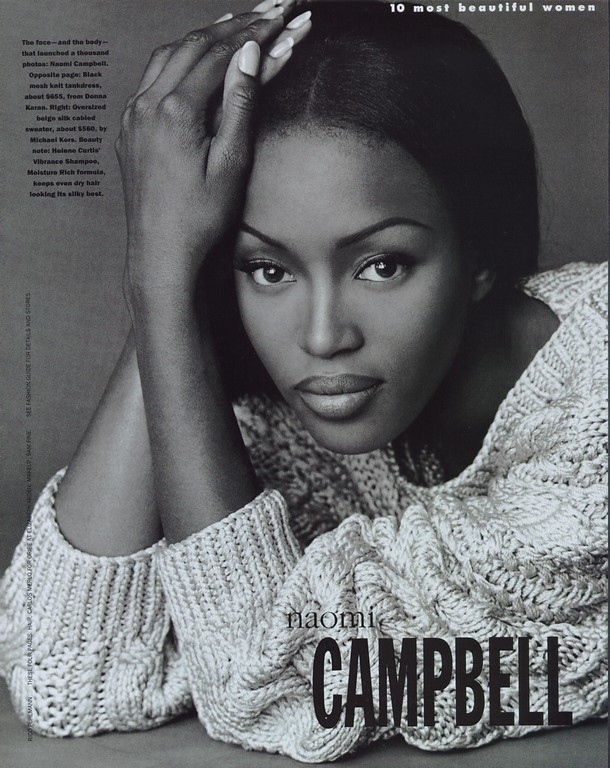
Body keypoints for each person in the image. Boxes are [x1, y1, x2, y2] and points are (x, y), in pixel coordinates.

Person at [0, 0, 606, 762]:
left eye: (381, 265)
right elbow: (64, 676)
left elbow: (287, 690)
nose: (322, 338)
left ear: (481, 251)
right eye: (268, 268)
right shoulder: (298, 424)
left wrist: (164, 282)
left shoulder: (595, 409)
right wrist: (166, 277)